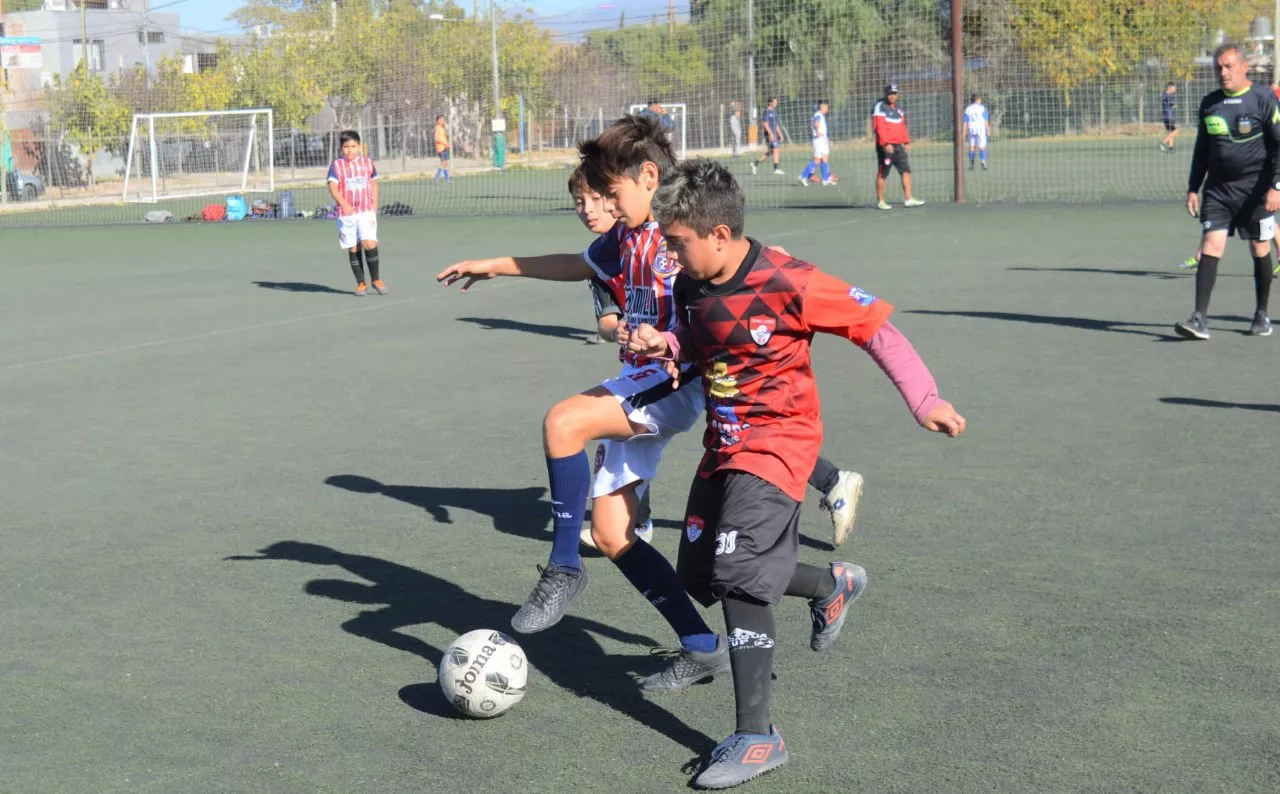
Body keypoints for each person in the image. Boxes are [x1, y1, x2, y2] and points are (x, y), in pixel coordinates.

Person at [621, 158, 965, 789]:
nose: (669, 255)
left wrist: (926, 400)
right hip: (723, 446)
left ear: (719, 235)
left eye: (677, 242)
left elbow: (876, 328)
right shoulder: (691, 283)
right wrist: (664, 346)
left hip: (780, 444)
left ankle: (758, 736)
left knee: (740, 573)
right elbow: (701, 343)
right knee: (702, 574)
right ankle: (830, 584)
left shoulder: (788, 279)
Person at [1177, 43, 1279, 339]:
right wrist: (1193, 187)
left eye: (1229, 66)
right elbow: (1202, 149)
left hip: (1256, 191)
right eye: (1218, 68)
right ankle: (1199, 319)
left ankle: (1261, 315)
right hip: (1218, 191)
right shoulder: (1210, 103)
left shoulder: (1264, 99)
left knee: (1260, 248)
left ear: (1244, 67)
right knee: (1211, 245)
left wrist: (1277, 186)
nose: (1223, 73)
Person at [327, 130, 387, 296]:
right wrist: (344, 204)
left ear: (359, 147)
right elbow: (332, 187)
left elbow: (374, 183)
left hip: (366, 210)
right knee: (353, 247)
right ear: (341, 148)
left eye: (353, 146)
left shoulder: (367, 163)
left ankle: (376, 279)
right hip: (346, 214)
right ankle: (361, 283)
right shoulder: (337, 166)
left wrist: (375, 205)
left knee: (369, 243)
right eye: (346, 147)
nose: (350, 150)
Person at [798, 100, 835, 187]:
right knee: (817, 160)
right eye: (826, 107)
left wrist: (826, 138)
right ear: (822, 108)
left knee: (825, 158)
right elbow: (816, 123)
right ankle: (803, 176)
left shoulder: (821, 115)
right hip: (818, 140)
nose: (827, 109)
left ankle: (825, 179)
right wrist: (818, 132)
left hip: (822, 140)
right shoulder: (818, 115)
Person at [751, 97, 785, 176]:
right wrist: (771, 134)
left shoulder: (775, 112)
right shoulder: (766, 112)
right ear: (770, 103)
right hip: (769, 135)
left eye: (776, 102)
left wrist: (780, 135)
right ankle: (776, 169)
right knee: (776, 149)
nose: (776, 103)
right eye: (775, 102)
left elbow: (776, 125)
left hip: (775, 135)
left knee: (772, 151)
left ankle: (755, 163)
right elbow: (765, 124)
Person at [963, 94, 990, 170]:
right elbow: (986, 121)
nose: (980, 101)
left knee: (972, 147)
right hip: (980, 129)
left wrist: (964, 133)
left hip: (971, 129)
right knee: (982, 147)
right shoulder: (982, 108)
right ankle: (983, 161)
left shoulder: (967, 109)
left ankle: (971, 163)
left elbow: (965, 122)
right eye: (980, 99)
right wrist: (988, 129)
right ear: (977, 100)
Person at [1160, 83, 1179, 153]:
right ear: (1170, 88)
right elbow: (1172, 105)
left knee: (1171, 132)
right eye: (1174, 88)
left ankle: (1171, 148)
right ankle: (1162, 143)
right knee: (1176, 130)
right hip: (1169, 116)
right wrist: (1174, 105)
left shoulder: (1164, 95)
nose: (1175, 89)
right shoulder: (1169, 95)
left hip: (1165, 116)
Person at [434, 115, 450, 181]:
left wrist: (446, 134)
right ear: (438, 121)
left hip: (444, 147)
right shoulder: (437, 128)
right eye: (442, 120)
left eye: (443, 119)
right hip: (441, 148)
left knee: (446, 163)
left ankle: (447, 179)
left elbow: (442, 137)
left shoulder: (441, 128)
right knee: (443, 163)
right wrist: (444, 144)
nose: (443, 121)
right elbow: (436, 138)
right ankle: (437, 176)